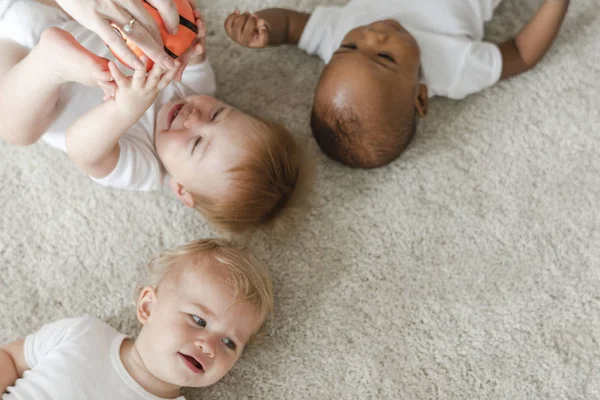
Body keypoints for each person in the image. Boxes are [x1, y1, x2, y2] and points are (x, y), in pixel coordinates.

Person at [0, 0, 309, 234]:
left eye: (197, 144)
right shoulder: (197, 89)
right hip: (56, 17)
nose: (194, 117)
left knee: (17, 132)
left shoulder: (145, 168)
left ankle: (49, 62)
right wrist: (192, 35)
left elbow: (81, 149)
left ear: (181, 190)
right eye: (218, 113)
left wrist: (125, 109)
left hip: (24, 76)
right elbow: (193, 52)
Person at [224, 0, 571, 168]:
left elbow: (286, 24)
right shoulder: (453, 69)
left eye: (350, 47)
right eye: (386, 57)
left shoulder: (332, 37)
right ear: (419, 97)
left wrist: (261, 30)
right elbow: (522, 54)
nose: (373, 35)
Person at [0, 238, 273, 399]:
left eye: (229, 342)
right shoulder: (85, 334)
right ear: (148, 307)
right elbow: (10, 358)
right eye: (199, 321)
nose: (208, 346)